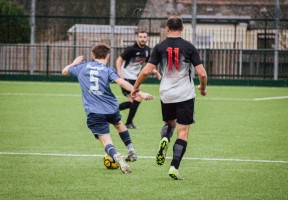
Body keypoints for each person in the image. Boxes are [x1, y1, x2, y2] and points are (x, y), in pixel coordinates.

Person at [131, 16, 207, 180]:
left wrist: (135, 88)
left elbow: (145, 72)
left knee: (169, 123)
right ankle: (174, 167)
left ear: (166, 29)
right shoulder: (189, 47)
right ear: (183, 28)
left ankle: (165, 137)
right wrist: (202, 87)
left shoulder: (159, 47)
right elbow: (202, 73)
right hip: (185, 94)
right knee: (183, 132)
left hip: (166, 94)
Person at [62, 44, 153, 174]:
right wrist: (140, 93)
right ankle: (131, 149)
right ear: (108, 56)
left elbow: (64, 71)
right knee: (119, 124)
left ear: (93, 56)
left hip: (94, 111)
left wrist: (73, 63)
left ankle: (115, 156)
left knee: (105, 140)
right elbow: (121, 82)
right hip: (111, 108)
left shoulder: (82, 67)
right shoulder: (108, 70)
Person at [116, 30, 161, 129]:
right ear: (137, 38)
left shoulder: (147, 50)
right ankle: (128, 123)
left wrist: (156, 71)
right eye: (140, 37)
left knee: (134, 102)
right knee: (138, 98)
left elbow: (148, 64)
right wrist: (119, 74)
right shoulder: (131, 49)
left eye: (144, 37)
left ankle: (111, 111)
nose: (142, 39)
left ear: (147, 38)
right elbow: (119, 60)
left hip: (135, 79)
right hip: (126, 77)